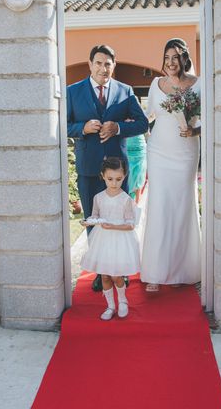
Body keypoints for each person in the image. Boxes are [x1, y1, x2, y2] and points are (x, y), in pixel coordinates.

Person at [67, 45, 149, 291]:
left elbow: (143, 123)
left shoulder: (125, 91)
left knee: (118, 219)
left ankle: (120, 270)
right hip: (89, 167)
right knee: (94, 220)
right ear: (90, 64)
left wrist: (118, 128)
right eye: (99, 63)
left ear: (114, 66)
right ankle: (101, 270)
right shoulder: (73, 92)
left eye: (108, 64)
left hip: (117, 171)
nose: (104, 68)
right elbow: (62, 125)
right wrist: (82, 128)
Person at [140, 38, 201, 292]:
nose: (171, 62)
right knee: (160, 206)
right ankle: (155, 272)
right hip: (159, 153)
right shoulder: (156, 84)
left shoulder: (197, 85)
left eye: (175, 57)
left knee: (182, 206)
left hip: (185, 152)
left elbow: (208, 118)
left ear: (184, 59)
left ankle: (181, 270)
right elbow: (148, 117)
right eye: (167, 57)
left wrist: (195, 131)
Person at [80, 157, 140, 320]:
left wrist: (112, 226)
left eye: (118, 179)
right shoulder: (98, 197)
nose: (114, 183)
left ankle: (122, 301)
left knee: (116, 275)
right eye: (110, 179)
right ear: (103, 176)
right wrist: (88, 222)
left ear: (125, 176)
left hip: (119, 240)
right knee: (105, 275)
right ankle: (110, 306)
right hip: (103, 240)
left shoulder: (125, 199)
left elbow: (130, 224)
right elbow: (95, 215)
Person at [125, 133, 147, 203]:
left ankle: (136, 208)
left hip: (139, 145)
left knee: (139, 178)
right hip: (125, 144)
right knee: (125, 178)